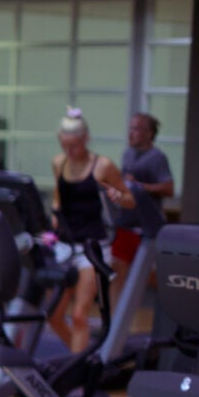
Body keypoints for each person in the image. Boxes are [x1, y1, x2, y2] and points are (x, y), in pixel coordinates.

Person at [49, 107, 135, 353]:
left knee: (79, 314)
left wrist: (118, 195)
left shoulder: (103, 166)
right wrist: (54, 217)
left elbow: (131, 200)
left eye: (74, 145)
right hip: (65, 245)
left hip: (93, 247)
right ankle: (81, 359)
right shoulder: (59, 163)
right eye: (64, 145)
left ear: (85, 139)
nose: (69, 151)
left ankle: (77, 369)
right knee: (53, 314)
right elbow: (58, 196)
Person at [109, 112, 174, 296]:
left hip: (147, 226)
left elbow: (168, 188)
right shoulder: (128, 154)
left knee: (149, 275)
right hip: (126, 222)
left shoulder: (157, 158)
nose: (131, 133)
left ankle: (175, 303)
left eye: (136, 129)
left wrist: (140, 186)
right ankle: (113, 322)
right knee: (117, 270)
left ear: (149, 133)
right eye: (130, 128)